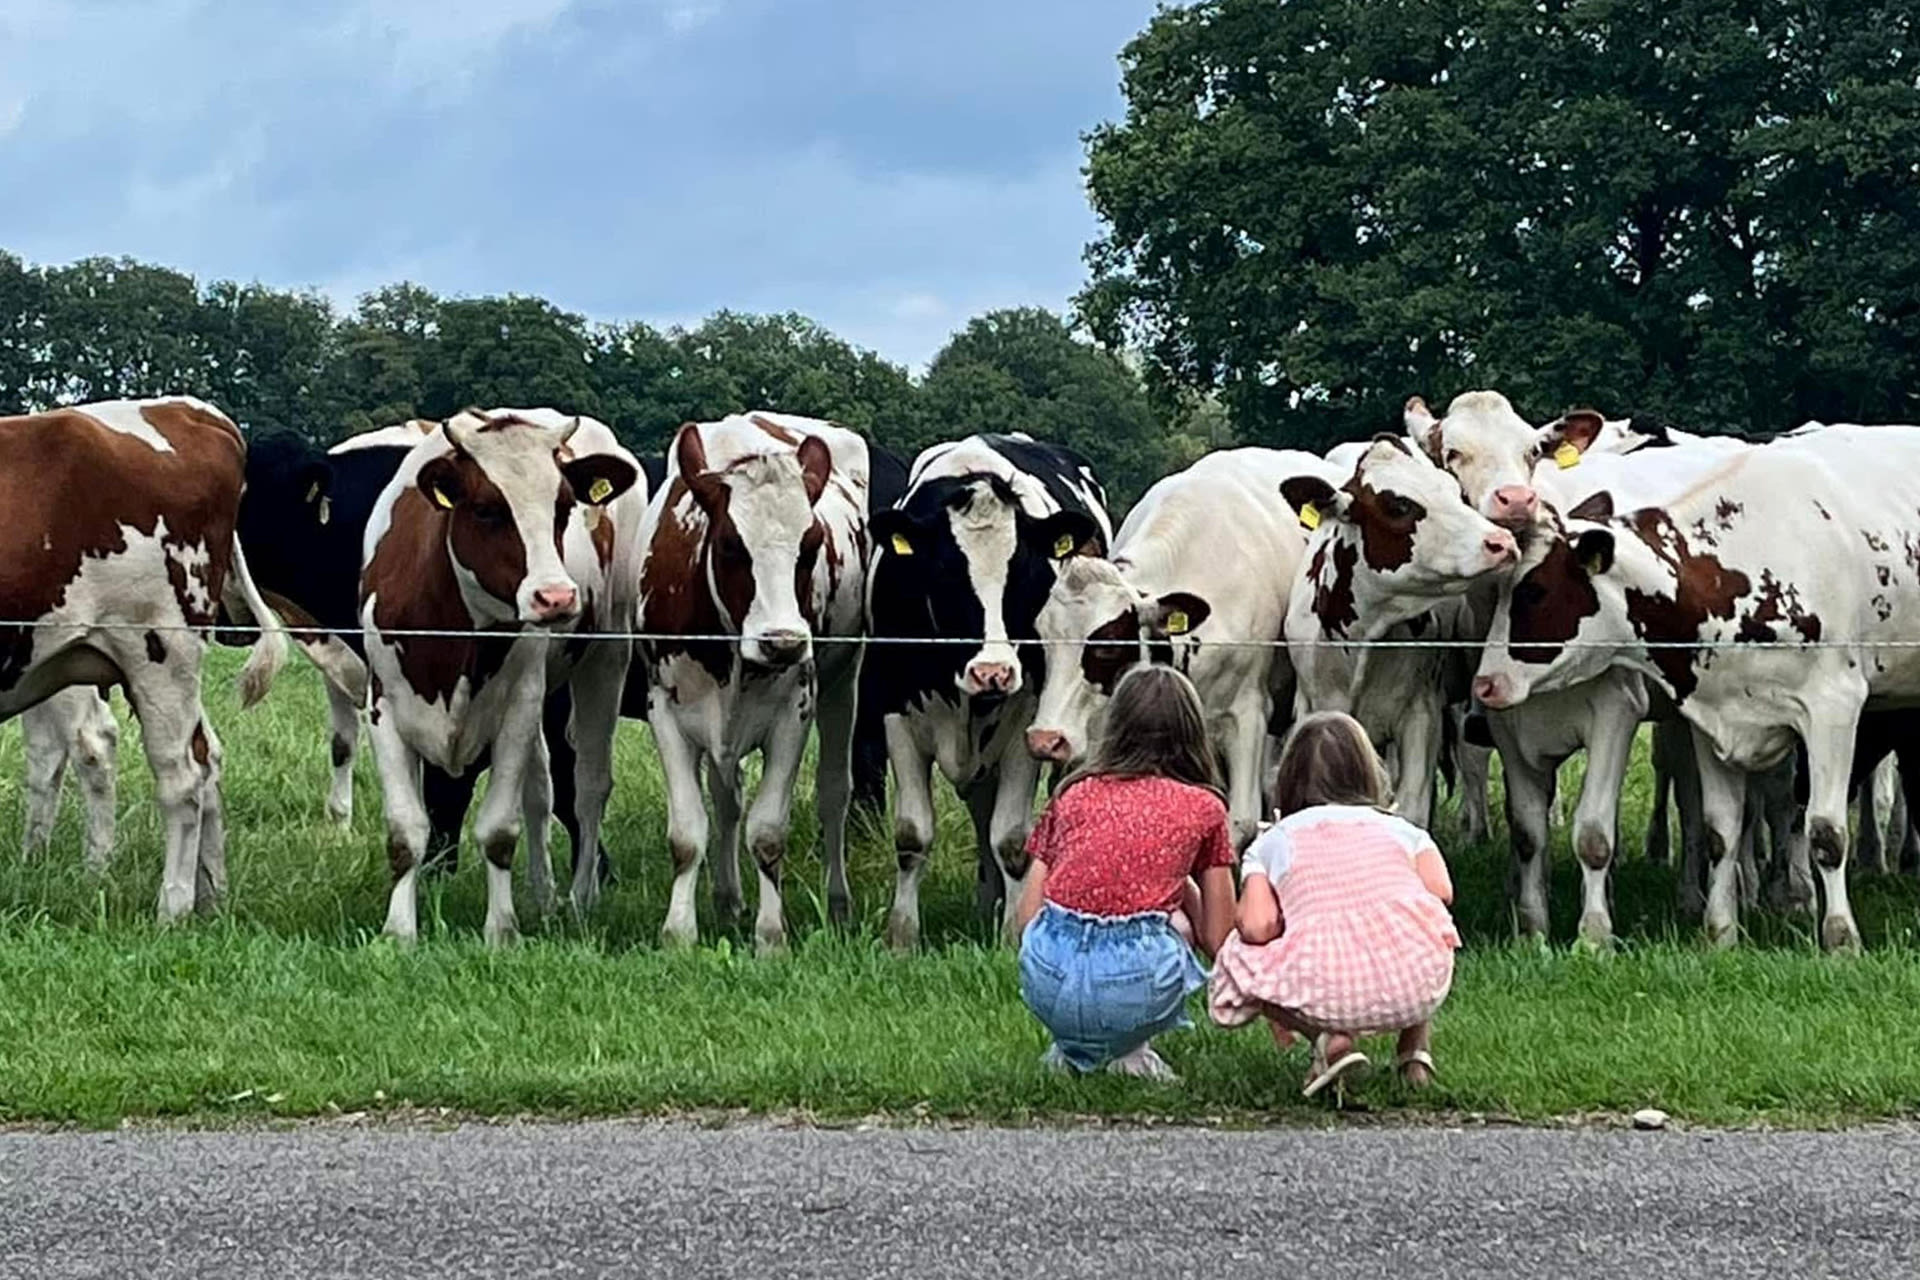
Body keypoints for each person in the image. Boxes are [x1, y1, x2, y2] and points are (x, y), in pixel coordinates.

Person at [1209, 711, 1460, 1098]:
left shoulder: (1273, 842)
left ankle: (1325, 1038)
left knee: (1236, 953)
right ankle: (1415, 1051)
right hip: (1417, 982)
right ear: (1368, 773)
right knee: (1423, 921)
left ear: (1287, 779)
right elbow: (1441, 892)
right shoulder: (1406, 831)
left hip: (1325, 987)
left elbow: (1257, 926)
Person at [1012, 666, 1238, 1081]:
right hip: (1135, 984)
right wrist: (1180, 878)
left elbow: (1026, 918)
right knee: (1177, 923)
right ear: (1193, 732)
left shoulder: (1073, 793)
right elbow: (1219, 937)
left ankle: (1071, 1045)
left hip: (1047, 979)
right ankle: (1130, 1051)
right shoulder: (1205, 808)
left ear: (1114, 727)